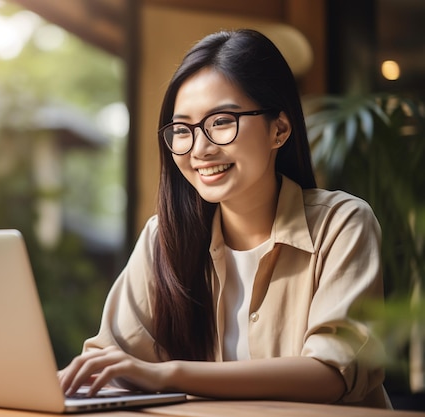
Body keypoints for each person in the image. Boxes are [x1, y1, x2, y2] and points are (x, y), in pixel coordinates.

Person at [58, 29, 390, 409]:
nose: (200, 149)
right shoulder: (163, 238)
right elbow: (111, 362)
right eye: (183, 129)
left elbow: (330, 375)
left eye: (220, 122)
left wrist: (168, 374)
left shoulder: (343, 224)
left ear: (279, 129)